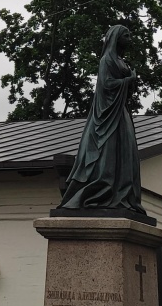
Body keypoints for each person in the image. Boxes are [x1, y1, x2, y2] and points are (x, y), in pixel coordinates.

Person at [57, 23, 145, 214]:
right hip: (108, 115)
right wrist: (129, 80)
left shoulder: (121, 61)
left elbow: (122, 89)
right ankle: (101, 193)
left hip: (120, 112)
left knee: (127, 154)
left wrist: (130, 82)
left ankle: (122, 194)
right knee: (108, 154)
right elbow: (106, 85)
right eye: (126, 35)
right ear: (116, 38)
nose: (130, 39)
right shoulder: (107, 60)